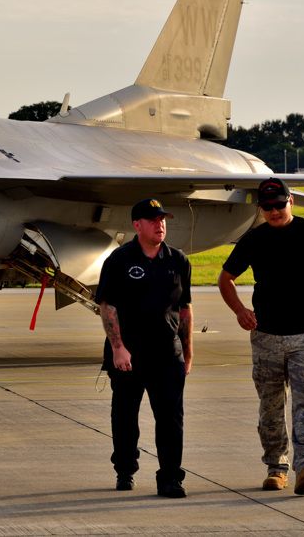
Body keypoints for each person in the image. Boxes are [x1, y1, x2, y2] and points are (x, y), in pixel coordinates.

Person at [217, 177, 304, 496]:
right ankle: (276, 467)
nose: (274, 211)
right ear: (261, 209)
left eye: (280, 204)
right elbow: (226, 279)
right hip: (266, 336)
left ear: (291, 202)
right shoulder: (254, 239)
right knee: (271, 406)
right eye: (267, 207)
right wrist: (239, 310)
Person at [96, 198, 193, 498]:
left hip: (168, 354)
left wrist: (188, 352)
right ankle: (125, 469)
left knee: (170, 419)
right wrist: (118, 348)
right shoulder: (120, 260)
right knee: (125, 417)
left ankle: (170, 478)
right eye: (152, 220)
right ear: (137, 225)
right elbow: (107, 306)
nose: (159, 224)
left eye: (162, 219)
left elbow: (185, 309)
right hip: (130, 354)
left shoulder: (178, 260)